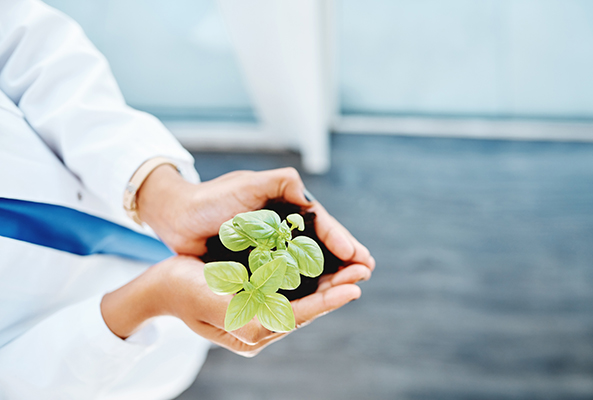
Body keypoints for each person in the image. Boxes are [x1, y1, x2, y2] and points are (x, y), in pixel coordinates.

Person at [0, 0, 375, 398]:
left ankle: (206, 316)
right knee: (190, 334)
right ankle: (202, 319)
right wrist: (152, 299)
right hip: (89, 351)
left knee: (214, 305)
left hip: (107, 197)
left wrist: (163, 195)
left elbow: (21, 41)